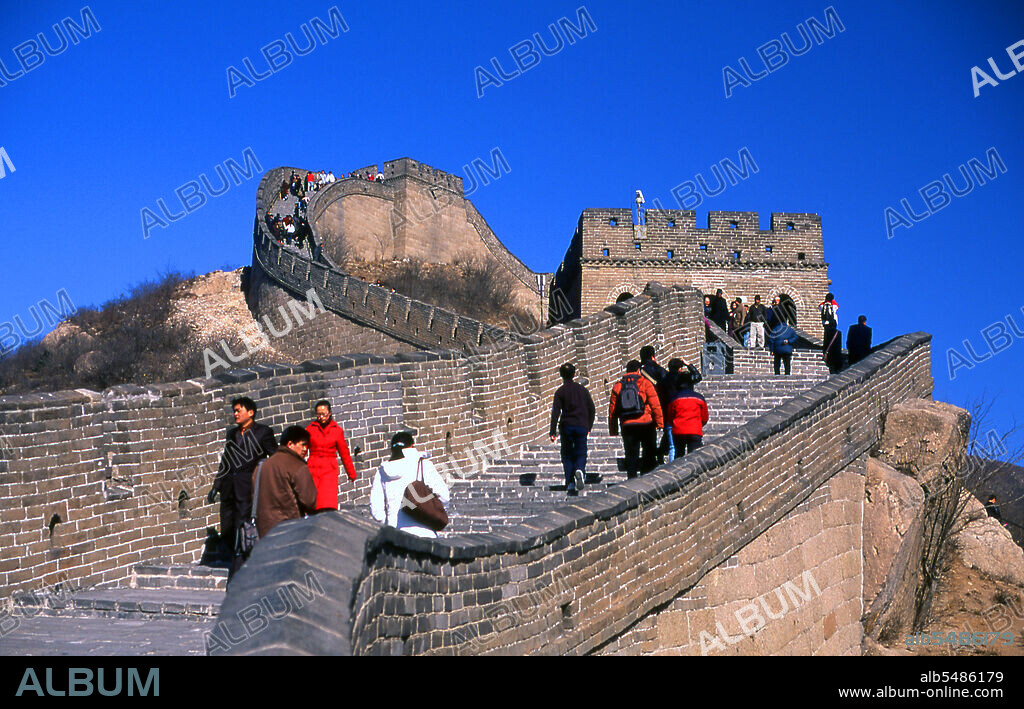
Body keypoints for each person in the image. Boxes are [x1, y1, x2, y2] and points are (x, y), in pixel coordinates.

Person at [207, 397, 277, 579]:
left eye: (239, 410)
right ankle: (236, 557)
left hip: (248, 488)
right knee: (227, 526)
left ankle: (240, 565)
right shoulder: (232, 434)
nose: (235, 414)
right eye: (234, 411)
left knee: (242, 525)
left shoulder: (263, 432)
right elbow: (226, 462)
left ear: (251, 412)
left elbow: (275, 458)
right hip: (229, 488)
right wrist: (216, 486)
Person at [369, 432, 450, 538]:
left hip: (395, 535)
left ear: (391, 450)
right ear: (412, 446)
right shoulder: (423, 465)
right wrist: (432, 512)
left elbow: (375, 508)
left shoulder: (382, 471)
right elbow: (444, 496)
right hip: (425, 531)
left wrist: (390, 520)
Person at [253, 426, 318, 539]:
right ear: (290, 444)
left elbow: (254, 496)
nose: (305, 449)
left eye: (307, 446)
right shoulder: (297, 465)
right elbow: (310, 501)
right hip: (290, 529)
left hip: (264, 531)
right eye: (303, 444)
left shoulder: (262, 466)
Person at [609, 360, 663, 478]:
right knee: (648, 452)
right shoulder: (645, 383)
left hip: (627, 425)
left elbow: (612, 411)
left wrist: (613, 430)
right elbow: (655, 404)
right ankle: (647, 476)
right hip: (646, 423)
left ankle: (632, 479)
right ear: (639, 370)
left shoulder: (618, 386)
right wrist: (660, 423)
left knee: (631, 455)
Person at [549, 363, 596, 495]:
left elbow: (555, 413)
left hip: (567, 426)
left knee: (567, 455)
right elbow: (592, 409)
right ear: (575, 374)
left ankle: (570, 483)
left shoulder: (560, 392)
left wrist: (552, 432)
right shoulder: (582, 390)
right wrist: (589, 426)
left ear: (561, 375)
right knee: (581, 452)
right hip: (581, 425)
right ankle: (580, 469)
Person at [305, 400, 357, 512]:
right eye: (318, 414)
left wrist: (351, 473)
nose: (321, 417)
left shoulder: (337, 431)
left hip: (329, 469)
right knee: (312, 502)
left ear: (330, 413)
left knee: (327, 503)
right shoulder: (310, 429)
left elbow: (344, 453)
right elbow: (303, 449)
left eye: (324, 414)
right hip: (313, 468)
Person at [667, 366, 709, 458]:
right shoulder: (699, 398)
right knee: (693, 458)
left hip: (678, 431)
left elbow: (670, 417)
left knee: (678, 457)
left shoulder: (674, 399)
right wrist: (697, 424)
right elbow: (705, 417)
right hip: (694, 430)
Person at [640, 345, 669, 466]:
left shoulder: (639, 370)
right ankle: (661, 451)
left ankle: (649, 457)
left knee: (647, 433)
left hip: (643, 406)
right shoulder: (659, 369)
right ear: (653, 356)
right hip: (659, 403)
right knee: (668, 428)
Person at [820, 292, 841, 373]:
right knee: (834, 336)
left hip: (825, 323)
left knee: (826, 336)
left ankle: (825, 351)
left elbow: (820, 307)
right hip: (833, 322)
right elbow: (837, 307)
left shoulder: (822, 305)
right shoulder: (833, 305)